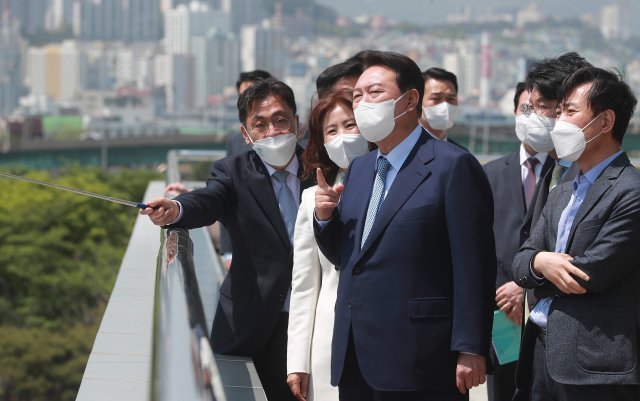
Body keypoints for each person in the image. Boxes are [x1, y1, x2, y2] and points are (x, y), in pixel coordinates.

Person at [314, 50, 496, 400]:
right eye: (357, 96)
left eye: (375, 93)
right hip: (356, 353)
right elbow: (350, 256)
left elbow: (474, 265)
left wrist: (471, 346)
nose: (363, 103)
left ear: (410, 99)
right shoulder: (362, 169)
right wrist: (324, 220)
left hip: (422, 357)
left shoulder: (453, 166)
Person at [141, 78, 309, 401]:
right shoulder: (233, 171)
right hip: (252, 320)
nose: (272, 132)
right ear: (246, 134)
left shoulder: (320, 167)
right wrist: (176, 209)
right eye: (260, 125)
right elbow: (209, 200)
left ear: (296, 123)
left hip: (310, 318)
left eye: (280, 120)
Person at [512, 66, 640, 401]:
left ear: (605, 121)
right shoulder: (566, 184)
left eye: (570, 112)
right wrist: (540, 261)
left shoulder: (630, 191)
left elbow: (589, 273)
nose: (559, 123)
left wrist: (539, 266)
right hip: (539, 354)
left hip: (593, 367)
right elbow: (522, 259)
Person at [286, 89, 370, 401]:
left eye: (351, 125)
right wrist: (297, 361)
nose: (343, 137)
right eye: (331, 131)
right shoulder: (312, 199)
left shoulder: (395, 188)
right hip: (329, 340)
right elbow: (305, 285)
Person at [482, 82, 554, 401]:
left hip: (547, 314)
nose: (533, 116)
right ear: (514, 113)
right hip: (501, 320)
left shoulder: (566, 171)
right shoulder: (488, 173)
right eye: (526, 108)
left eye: (542, 109)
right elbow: (478, 247)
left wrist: (526, 289)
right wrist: (503, 297)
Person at [164, 69, 273, 270]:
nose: (248, 99)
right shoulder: (235, 143)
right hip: (243, 256)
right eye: (243, 95)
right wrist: (181, 204)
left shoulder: (298, 153)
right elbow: (223, 193)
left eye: (256, 92)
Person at [419, 67, 465, 148]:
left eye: (450, 98)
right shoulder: (405, 149)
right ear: (418, 101)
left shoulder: (462, 155)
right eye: (436, 98)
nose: (445, 105)